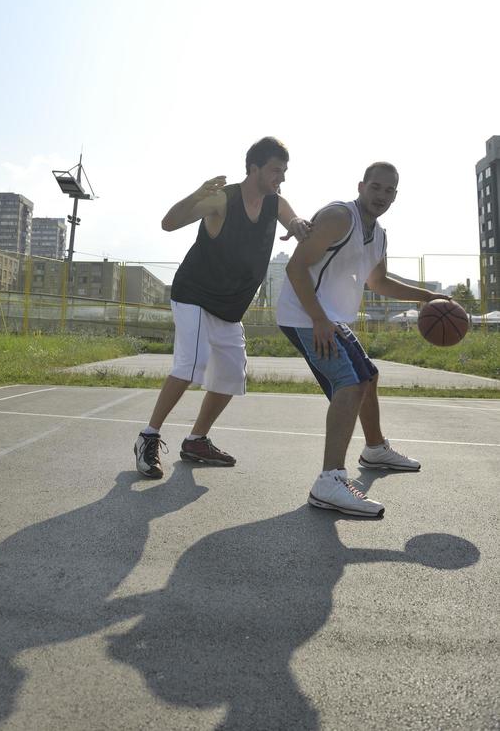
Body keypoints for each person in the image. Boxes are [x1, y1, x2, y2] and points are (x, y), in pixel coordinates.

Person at [276, 162, 446, 518]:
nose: (381, 196)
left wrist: (426, 298)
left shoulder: (380, 234)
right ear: (361, 186)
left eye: (389, 191)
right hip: (305, 315)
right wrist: (319, 319)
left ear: (395, 196)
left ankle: (374, 449)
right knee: (349, 384)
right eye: (376, 187)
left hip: (330, 318)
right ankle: (330, 480)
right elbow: (295, 268)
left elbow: (379, 283)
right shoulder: (341, 217)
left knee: (368, 377)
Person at [134, 136, 311, 479]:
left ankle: (196, 440)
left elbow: (293, 221)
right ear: (254, 168)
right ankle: (148, 436)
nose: (282, 177)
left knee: (231, 376)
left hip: (229, 306)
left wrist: (299, 225)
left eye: (285, 171)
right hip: (195, 295)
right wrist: (196, 196)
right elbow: (168, 223)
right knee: (191, 364)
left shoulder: (275, 203)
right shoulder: (221, 199)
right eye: (277, 170)